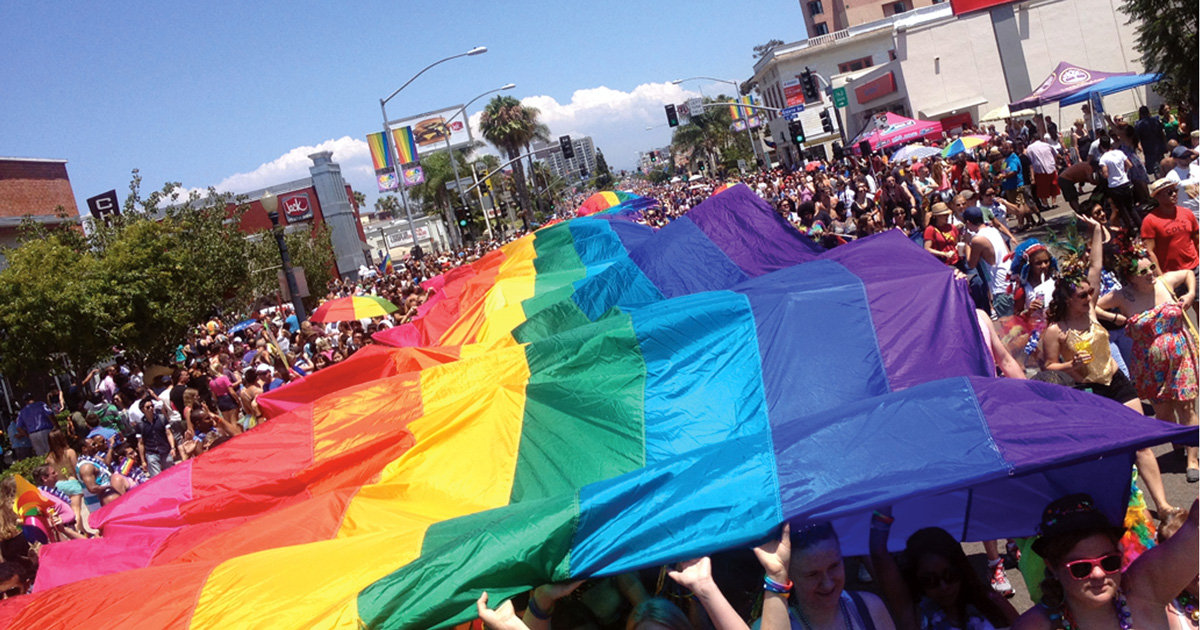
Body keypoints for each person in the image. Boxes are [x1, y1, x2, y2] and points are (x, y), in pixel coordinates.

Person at [1040, 214, 1178, 515]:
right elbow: (1047, 366)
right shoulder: (1055, 330)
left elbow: (1096, 267)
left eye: (1089, 292)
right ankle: (1116, 509)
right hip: (1087, 389)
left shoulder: (1090, 310)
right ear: (1066, 299)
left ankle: (1164, 505)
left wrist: (1098, 232)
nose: (1089, 296)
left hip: (1117, 383)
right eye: (1082, 295)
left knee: (1141, 442)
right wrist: (1069, 365)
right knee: (1108, 453)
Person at [1010, 494, 1198, 630]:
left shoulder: (1145, 592)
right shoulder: (1034, 626)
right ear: (1053, 567)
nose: (1098, 574)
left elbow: (1196, 528)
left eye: (1109, 562)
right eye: (1081, 567)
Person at [1097, 249, 1198, 482]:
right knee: (1163, 412)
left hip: (1181, 354)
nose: (1150, 273)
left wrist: (1190, 294)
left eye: (1151, 267)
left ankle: (1193, 458)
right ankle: (1178, 444)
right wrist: (1114, 318)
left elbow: (1187, 274)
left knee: (1186, 407)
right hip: (1148, 363)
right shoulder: (1122, 297)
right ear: (1130, 277)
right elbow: (1093, 306)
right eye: (1143, 271)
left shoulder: (1164, 282)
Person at [869, 506, 1019, 630]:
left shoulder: (991, 602)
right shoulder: (914, 614)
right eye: (930, 580)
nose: (943, 586)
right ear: (916, 580)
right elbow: (878, 553)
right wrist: (884, 502)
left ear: (961, 570)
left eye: (951, 575)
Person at [1141, 178, 1200, 281]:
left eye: (1175, 191)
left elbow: (1197, 239)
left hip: (1194, 269)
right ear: (1158, 197)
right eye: (1169, 192)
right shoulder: (1150, 221)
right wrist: (1160, 277)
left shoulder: (1187, 213)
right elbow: (1150, 251)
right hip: (1171, 275)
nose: (1174, 194)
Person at [963, 207, 1013, 317]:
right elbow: (1008, 252)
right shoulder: (993, 230)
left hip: (1000, 287)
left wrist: (967, 243)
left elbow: (971, 264)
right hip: (1011, 279)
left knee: (1010, 327)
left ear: (968, 223)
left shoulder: (977, 240)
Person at [1098, 136, 1137, 230]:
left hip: (1114, 186)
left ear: (1101, 146)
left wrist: (1102, 174)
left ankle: (1130, 229)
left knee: (1122, 209)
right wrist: (1123, 171)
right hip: (1125, 182)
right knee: (1131, 207)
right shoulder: (1119, 153)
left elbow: (1106, 174)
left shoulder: (1103, 158)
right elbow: (1129, 165)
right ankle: (1139, 225)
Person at [15, 392, 56, 457]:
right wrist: (56, 426)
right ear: (33, 398)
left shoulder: (22, 412)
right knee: (52, 451)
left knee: (41, 456)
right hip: (45, 430)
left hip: (33, 434)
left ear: (25, 401)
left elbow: (18, 427)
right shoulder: (41, 405)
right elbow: (50, 415)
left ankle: (46, 467)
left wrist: (28, 436)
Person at [1165, 146, 1200, 223]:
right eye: (1183, 157)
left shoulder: (1197, 169)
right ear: (1175, 159)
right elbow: (1168, 198)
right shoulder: (1172, 176)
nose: (1187, 158)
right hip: (1188, 215)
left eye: (1188, 156)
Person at [924, 203, 961, 268]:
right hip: (943, 263)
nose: (947, 217)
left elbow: (956, 243)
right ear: (937, 216)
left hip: (957, 260)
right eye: (944, 215)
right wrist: (944, 254)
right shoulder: (930, 229)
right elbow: (927, 249)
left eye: (947, 215)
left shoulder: (952, 227)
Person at [1136, 105, 1167, 176]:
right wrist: (1165, 143)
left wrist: (1139, 146)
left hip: (1148, 149)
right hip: (1159, 146)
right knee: (1162, 163)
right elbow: (1162, 133)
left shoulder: (1139, 125)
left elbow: (1137, 138)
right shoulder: (1155, 121)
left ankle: (1159, 179)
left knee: (1155, 167)